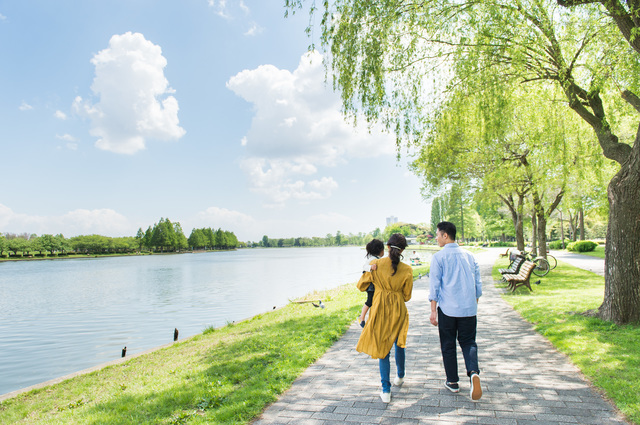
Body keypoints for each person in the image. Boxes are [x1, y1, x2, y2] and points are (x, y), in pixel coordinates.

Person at [429, 221, 483, 401]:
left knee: (448, 345)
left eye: (437, 234)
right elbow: (478, 285)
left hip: (448, 310)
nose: (436, 238)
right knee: (469, 342)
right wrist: (473, 303)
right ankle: (473, 373)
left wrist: (433, 311)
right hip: (469, 309)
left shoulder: (439, 257)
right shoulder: (470, 256)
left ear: (445, 235)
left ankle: (452, 381)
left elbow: (434, 286)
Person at [356, 233, 413, 403]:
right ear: (402, 250)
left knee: (383, 349)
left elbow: (361, 286)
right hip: (398, 309)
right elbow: (407, 296)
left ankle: (386, 390)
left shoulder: (375, 264)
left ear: (387, 247)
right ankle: (400, 376)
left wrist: (372, 275)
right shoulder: (407, 270)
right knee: (399, 343)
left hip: (380, 308)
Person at [357, 239, 385, 328]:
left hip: (375, 285)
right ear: (380, 250)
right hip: (371, 286)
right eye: (383, 249)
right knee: (369, 301)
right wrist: (371, 267)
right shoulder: (372, 259)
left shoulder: (379, 259)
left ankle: (373, 318)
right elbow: (364, 267)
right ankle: (362, 317)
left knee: (374, 301)